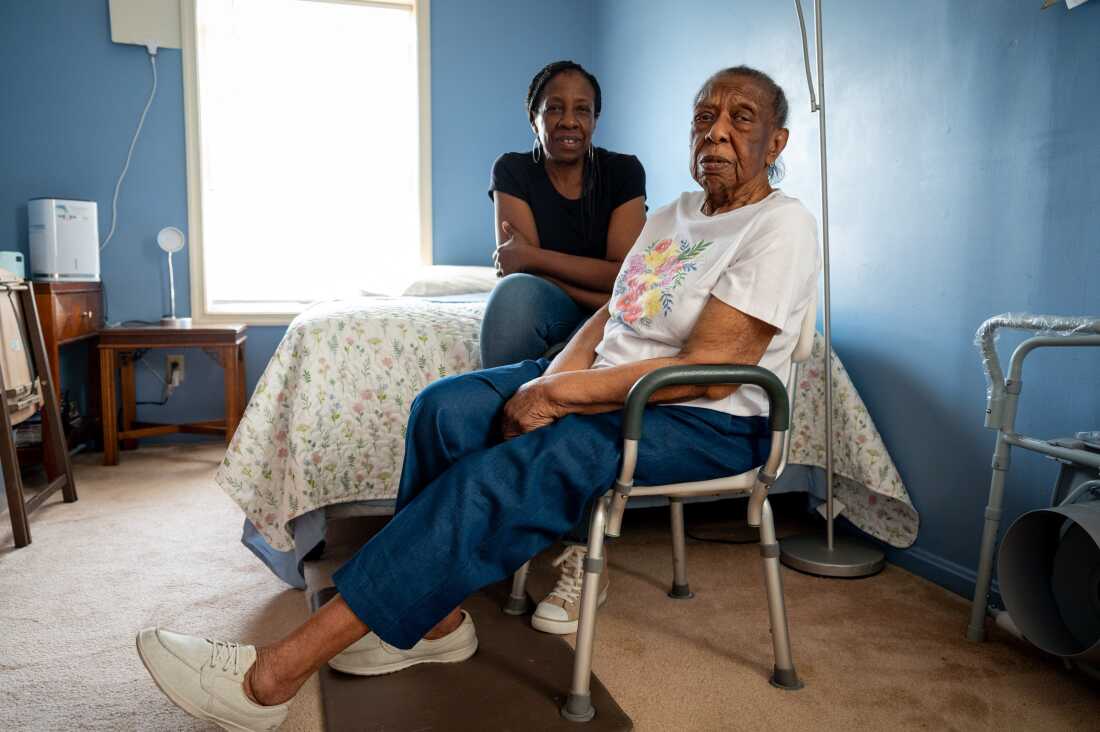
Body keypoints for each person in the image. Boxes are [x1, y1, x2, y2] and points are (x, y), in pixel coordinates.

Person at [135, 65, 820, 732]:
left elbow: (710, 371)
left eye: (741, 119)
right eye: (705, 117)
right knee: (445, 406)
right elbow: (612, 314)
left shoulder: (777, 226)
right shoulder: (673, 215)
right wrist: (551, 379)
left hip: (699, 417)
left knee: (513, 471)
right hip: (613, 386)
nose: (717, 132)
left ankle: (269, 680)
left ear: (777, 143)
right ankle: (432, 622)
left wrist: (564, 398)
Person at [481, 60, 648, 635]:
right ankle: (505, 501)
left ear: (597, 120)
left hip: (611, 321)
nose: (568, 119)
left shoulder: (624, 173)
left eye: (581, 109)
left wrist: (537, 259)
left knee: (552, 300)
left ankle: (573, 543)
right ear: (534, 117)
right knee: (517, 301)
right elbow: (515, 278)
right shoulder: (512, 169)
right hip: (545, 307)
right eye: (554, 107)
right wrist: (579, 277)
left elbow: (629, 285)